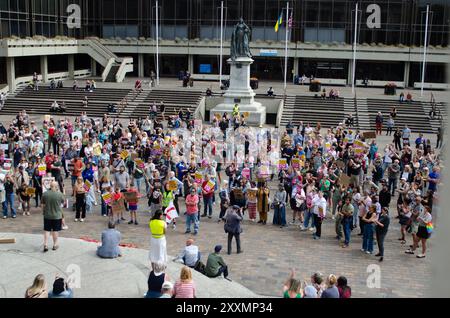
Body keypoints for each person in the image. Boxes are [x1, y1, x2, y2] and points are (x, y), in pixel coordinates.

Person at [42, 182, 65, 252]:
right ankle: (55, 245)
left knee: (47, 230)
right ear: (56, 186)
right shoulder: (59, 194)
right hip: (57, 215)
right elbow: (63, 203)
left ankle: (45, 244)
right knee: (55, 230)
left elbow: (42, 205)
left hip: (47, 215)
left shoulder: (45, 194)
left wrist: (44, 212)